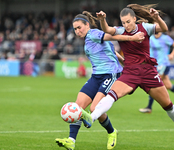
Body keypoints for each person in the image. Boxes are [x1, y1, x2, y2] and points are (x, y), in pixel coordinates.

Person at [80, 4, 174, 144]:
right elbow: (108, 30)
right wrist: (103, 20)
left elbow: (164, 28)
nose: (126, 25)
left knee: (167, 104)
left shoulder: (145, 28)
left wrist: (157, 17)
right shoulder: (121, 31)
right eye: (123, 22)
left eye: (128, 21)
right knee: (112, 94)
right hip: (130, 72)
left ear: (134, 19)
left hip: (148, 71)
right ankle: (91, 118)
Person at [55, 11, 145, 150]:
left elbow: (111, 36)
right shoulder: (89, 38)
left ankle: (111, 132)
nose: (77, 31)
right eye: (75, 29)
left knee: (93, 108)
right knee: (77, 106)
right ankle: (71, 141)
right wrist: (123, 61)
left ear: (87, 25)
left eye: (79, 27)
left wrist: (132, 38)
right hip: (96, 76)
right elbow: (109, 47)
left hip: (110, 75)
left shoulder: (93, 33)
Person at [139, 32, 174, 113]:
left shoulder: (165, 38)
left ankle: (149, 107)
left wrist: (172, 54)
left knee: (153, 83)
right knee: (168, 85)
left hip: (163, 64)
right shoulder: (151, 38)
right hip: (154, 65)